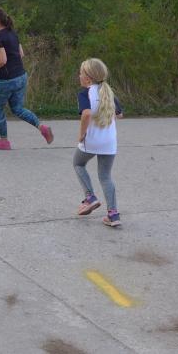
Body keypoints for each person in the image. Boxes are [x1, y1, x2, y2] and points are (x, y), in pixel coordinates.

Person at [0, 7, 53, 150]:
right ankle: (42, 127)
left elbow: (2, 60)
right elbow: (21, 54)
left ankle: (4, 141)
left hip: (5, 80)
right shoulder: (13, 33)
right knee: (18, 108)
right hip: (21, 76)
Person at [74, 58, 123, 227]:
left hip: (92, 140)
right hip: (109, 141)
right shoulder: (108, 93)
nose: (79, 76)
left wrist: (82, 134)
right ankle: (113, 215)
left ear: (88, 78)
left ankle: (90, 197)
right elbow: (120, 115)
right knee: (105, 176)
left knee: (78, 163)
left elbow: (86, 113)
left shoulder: (85, 93)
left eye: (81, 73)